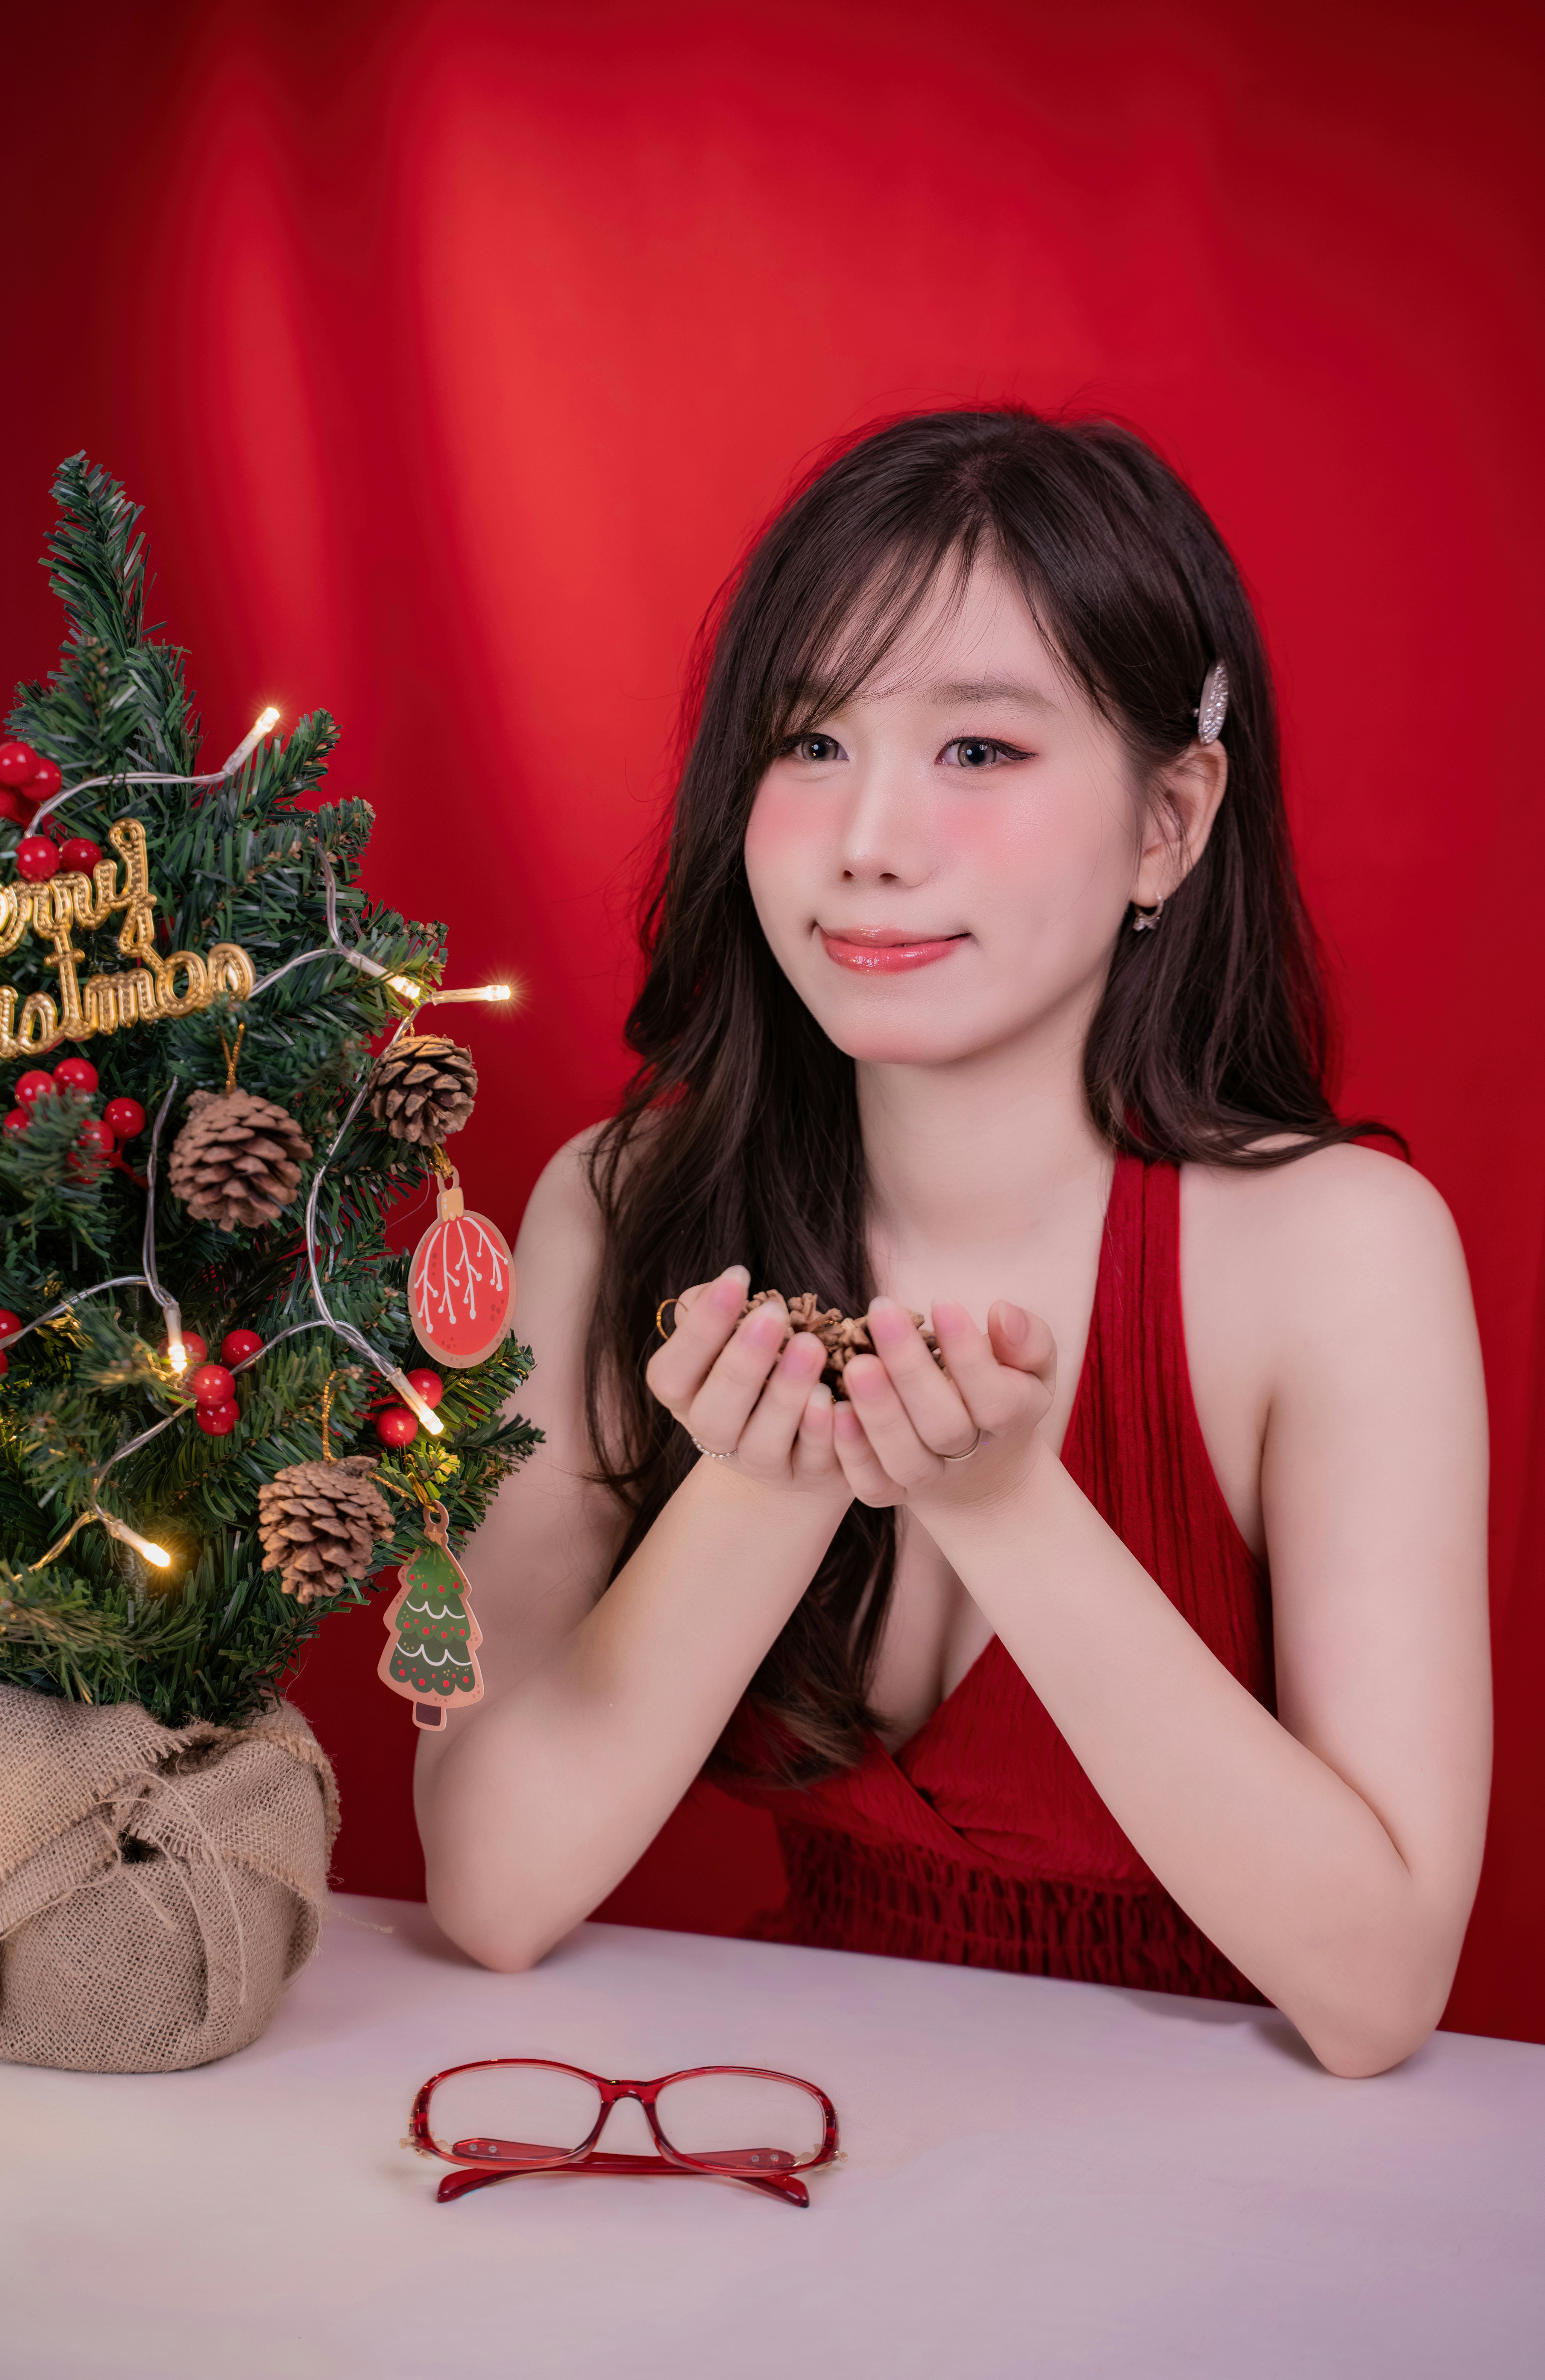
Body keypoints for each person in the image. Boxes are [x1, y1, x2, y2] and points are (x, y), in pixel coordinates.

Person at [415, 409, 1490, 2078]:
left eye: (978, 751)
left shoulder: (1338, 1253)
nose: (868, 843)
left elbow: (1374, 1995)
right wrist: (773, 1479)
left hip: (1238, 2220)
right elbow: (492, 1886)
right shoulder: (624, 1206)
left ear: (1168, 821)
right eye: (810, 741)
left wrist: (999, 1505)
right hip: (802, 2151)